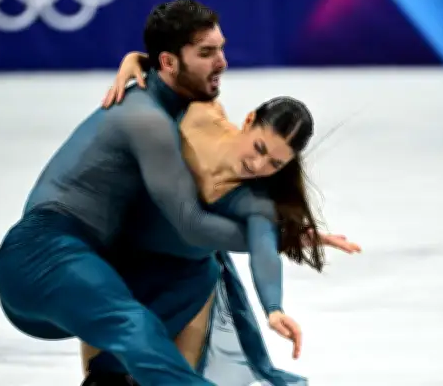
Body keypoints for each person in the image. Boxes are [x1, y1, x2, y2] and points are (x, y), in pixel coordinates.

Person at [0, 0, 352, 386]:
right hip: (40, 254)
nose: (222, 62)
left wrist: (137, 59)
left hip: (91, 262)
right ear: (169, 62)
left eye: (221, 49)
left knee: (197, 270)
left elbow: (200, 234)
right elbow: (191, 224)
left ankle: (109, 379)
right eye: (207, 52)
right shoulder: (148, 120)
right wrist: (284, 236)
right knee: (135, 321)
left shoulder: (190, 110)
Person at [78, 57, 361, 385]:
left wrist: (274, 308)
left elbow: (263, 247)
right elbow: (172, 65)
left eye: (274, 163)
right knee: (103, 377)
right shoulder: (202, 114)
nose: (257, 165)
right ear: (250, 120)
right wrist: (135, 61)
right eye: (258, 148)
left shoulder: (253, 201)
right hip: (120, 247)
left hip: (183, 275)